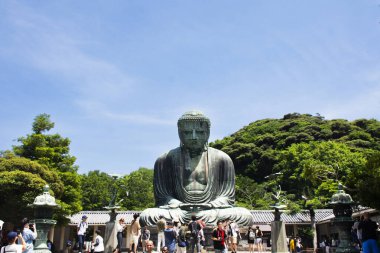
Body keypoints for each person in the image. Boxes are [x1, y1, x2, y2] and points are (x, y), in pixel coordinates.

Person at [139, 111, 253, 226]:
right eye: (188, 132)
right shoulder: (165, 160)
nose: (194, 137)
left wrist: (211, 205)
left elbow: (227, 197)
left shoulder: (222, 158)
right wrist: (178, 204)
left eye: (199, 132)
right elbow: (162, 197)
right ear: (180, 133)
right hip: (179, 211)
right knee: (148, 215)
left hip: (210, 210)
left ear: (207, 133)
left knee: (244, 215)